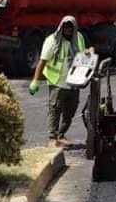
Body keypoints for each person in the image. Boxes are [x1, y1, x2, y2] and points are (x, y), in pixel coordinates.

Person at [29, 15, 89, 147]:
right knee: (55, 109)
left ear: (74, 29)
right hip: (57, 82)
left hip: (73, 83)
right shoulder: (52, 41)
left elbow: (83, 56)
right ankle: (52, 137)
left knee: (70, 110)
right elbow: (42, 62)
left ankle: (61, 135)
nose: (67, 30)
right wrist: (35, 81)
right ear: (61, 28)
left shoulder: (79, 38)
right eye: (65, 27)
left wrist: (88, 57)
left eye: (70, 28)